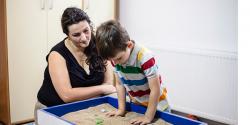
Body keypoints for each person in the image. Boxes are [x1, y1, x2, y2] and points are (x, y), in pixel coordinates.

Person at [35, 7, 116, 124]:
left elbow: (109, 83)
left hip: (87, 106)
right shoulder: (57, 55)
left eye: (86, 31)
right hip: (53, 109)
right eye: (76, 35)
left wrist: (103, 88)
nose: (83, 38)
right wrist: (101, 88)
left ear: (90, 26)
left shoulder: (99, 45)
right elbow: (67, 96)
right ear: (67, 34)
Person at [95, 20, 170, 125]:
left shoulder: (145, 57)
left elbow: (155, 89)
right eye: (112, 60)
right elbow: (120, 84)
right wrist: (121, 109)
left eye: (119, 58)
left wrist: (148, 117)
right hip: (137, 104)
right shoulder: (115, 60)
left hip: (157, 106)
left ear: (129, 45)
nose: (115, 63)